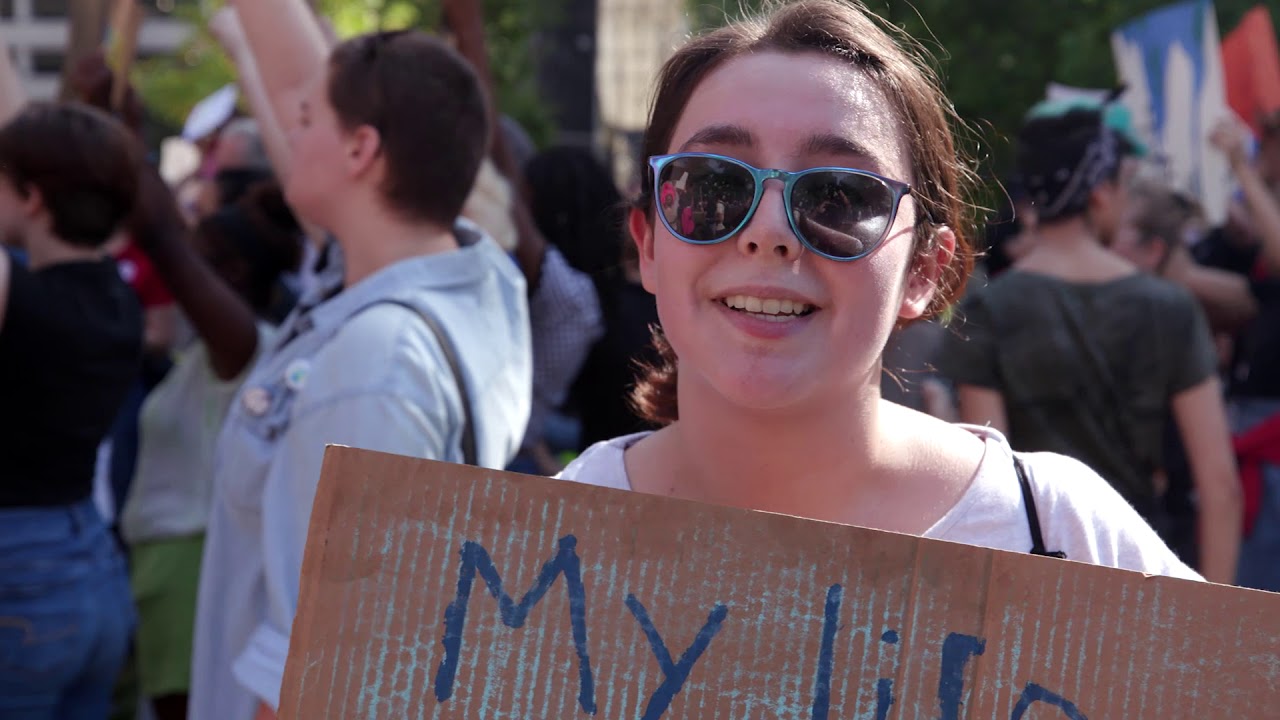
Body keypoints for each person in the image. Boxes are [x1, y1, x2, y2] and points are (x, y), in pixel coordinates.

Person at [558, 0, 1198, 580]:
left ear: (924, 271)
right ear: (648, 244)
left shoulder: (1057, 532)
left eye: (840, 196)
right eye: (714, 184)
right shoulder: (546, 537)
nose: (768, 232)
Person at [187, 4, 531, 719]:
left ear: (360, 150)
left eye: (307, 120)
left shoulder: (378, 364)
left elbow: (328, 673)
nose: (290, 131)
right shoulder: (476, 276)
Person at [940, 106, 1240, 583]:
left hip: (1038, 573)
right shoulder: (1170, 308)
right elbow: (1220, 485)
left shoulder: (989, 309)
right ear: (1101, 194)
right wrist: (1215, 612)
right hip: (1145, 564)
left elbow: (992, 484)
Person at [121, 183, 302, 720]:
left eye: (196, 259)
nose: (180, 275)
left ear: (234, 273)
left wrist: (148, 213)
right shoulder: (203, 354)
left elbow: (166, 248)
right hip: (169, 564)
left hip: (187, 568)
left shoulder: (245, 351)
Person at [0, 102, 144, 718]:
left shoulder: (25, 302)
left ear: (32, 197)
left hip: (20, 577)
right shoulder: (119, 300)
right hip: (92, 568)